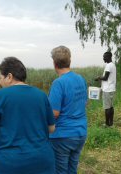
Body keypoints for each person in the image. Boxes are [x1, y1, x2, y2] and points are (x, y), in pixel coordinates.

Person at [0, 57, 55, 174]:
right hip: (43, 161)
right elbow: (51, 128)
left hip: (10, 164)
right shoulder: (41, 95)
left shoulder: (2, 94)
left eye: (0, 78)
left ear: (9, 77)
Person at [48, 45, 88, 174]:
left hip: (62, 135)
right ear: (69, 61)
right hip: (80, 133)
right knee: (72, 168)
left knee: (60, 171)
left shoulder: (58, 83)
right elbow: (85, 103)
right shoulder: (80, 79)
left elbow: (54, 113)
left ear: (55, 63)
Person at [95, 51, 116, 127]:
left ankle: (107, 124)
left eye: (104, 57)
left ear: (109, 57)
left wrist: (98, 78)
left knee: (107, 108)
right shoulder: (113, 65)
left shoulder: (108, 66)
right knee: (111, 107)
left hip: (107, 90)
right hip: (112, 89)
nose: (103, 58)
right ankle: (111, 123)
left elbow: (105, 78)